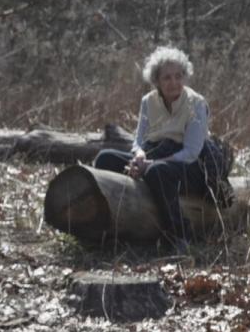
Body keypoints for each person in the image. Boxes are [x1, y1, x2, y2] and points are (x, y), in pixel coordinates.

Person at [94, 46, 233, 251]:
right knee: (105, 158)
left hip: (192, 167)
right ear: (156, 80)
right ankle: (106, 226)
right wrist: (139, 157)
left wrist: (149, 164)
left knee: (156, 171)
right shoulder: (148, 101)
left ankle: (179, 234)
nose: (174, 82)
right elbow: (139, 140)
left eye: (178, 76)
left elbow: (191, 152)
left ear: (185, 77)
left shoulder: (196, 103)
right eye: (167, 77)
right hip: (154, 155)